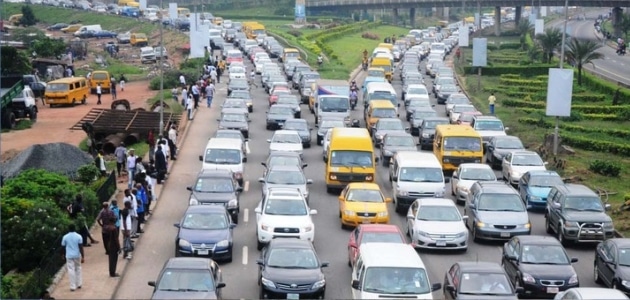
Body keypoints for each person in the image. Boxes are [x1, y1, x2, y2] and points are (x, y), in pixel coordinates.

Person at [61, 224, 84, 292]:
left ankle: (72, 286)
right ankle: (79, 284)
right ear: (75, 228)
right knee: (78, 268)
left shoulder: (65, 237)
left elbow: (63, 247)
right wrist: (83, 256)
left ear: (68, 229)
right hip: (77, 255)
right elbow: (81, 247)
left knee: (71, 270)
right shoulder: (79, 236)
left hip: (69, 255)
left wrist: (62, 255)